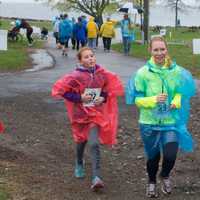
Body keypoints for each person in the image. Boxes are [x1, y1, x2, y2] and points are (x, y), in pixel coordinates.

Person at [126, 36, 196, 198]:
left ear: (167, 50)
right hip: (149, 122)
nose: (159, 53)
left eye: (162, 49)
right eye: (156, 50)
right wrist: (153, 100)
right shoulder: (142, 73)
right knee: (153, 156)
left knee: (170, 154)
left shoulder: (176, 71)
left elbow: (180, 90)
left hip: (171, 121)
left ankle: (165, 175)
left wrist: (177, 100)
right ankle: (151, 181)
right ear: (150, 51)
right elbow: (136, 99)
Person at [52, 47, 123, 191]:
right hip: (80, 115)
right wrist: (79, 97)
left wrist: (103, 97)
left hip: (95, 114)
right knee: (81, 141)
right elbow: (62, 91)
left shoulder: (102, 73)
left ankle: (97, 177)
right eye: (86, 57)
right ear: (80, 60)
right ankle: (79, 161)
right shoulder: (75, 76)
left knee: (94, 143)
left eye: (92, 56)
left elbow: (108, 88)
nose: (90, 59)